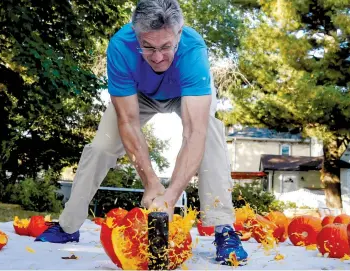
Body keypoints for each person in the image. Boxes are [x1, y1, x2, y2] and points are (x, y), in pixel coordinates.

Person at [36, 0, 248, 265]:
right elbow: (128, 122)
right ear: (136, 35)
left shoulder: (193, 50)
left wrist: (170, 196)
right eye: (148, 47)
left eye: (166, 47)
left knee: (211, 134)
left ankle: (223, 229)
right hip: (140, 96)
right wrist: (151, 183)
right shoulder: (120, 46)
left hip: (184, 94)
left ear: (179, 35)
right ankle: (68, 226)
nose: (158, 57)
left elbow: (195, 133)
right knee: (101, 146)